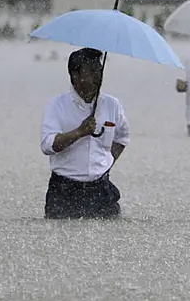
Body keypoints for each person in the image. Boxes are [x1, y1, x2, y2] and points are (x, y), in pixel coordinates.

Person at [40, 47, 130, 219]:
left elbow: (122, 137)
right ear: (76, 75)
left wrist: (106, 164)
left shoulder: (112, 105)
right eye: (92, 71)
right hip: (64, 192)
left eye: (99, 70)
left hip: (101, 191)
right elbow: (47, 145)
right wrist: (79, 132)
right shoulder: (57, 106)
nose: (98, 77)